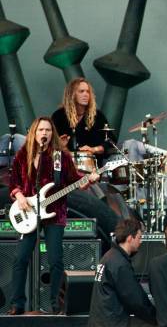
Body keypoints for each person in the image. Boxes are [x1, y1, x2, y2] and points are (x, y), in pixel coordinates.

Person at [8, 117, 99, 315]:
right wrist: (20, 196)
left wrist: (89, 180)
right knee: (20, 259)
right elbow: (13, 181)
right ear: (34, 132)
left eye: (48, 130)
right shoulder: (23, 154)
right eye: (41, 129)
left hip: (54, 214)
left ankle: (56, 304)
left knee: (56, 260)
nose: (45, 133)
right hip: (27, 211)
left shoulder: (61, 156)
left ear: (52, 133)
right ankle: (17, 304)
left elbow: (76, 180)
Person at [86, 219, 157, 327]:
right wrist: (156, 317)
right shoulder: (119, 263)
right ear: (130, 238)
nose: (141, 241)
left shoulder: (107, 257)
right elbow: (134, 298)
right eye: (139, 237)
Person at [51, 77, 115, 166]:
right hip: (65, 167)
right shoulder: (59, 116)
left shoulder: (97, 116)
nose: (86, 94)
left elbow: (110, 142)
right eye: (81, 91)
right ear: (72, 94)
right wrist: (60, 145)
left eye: (88, 91)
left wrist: (94, 149)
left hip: (93, 168)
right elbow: (49, 145)